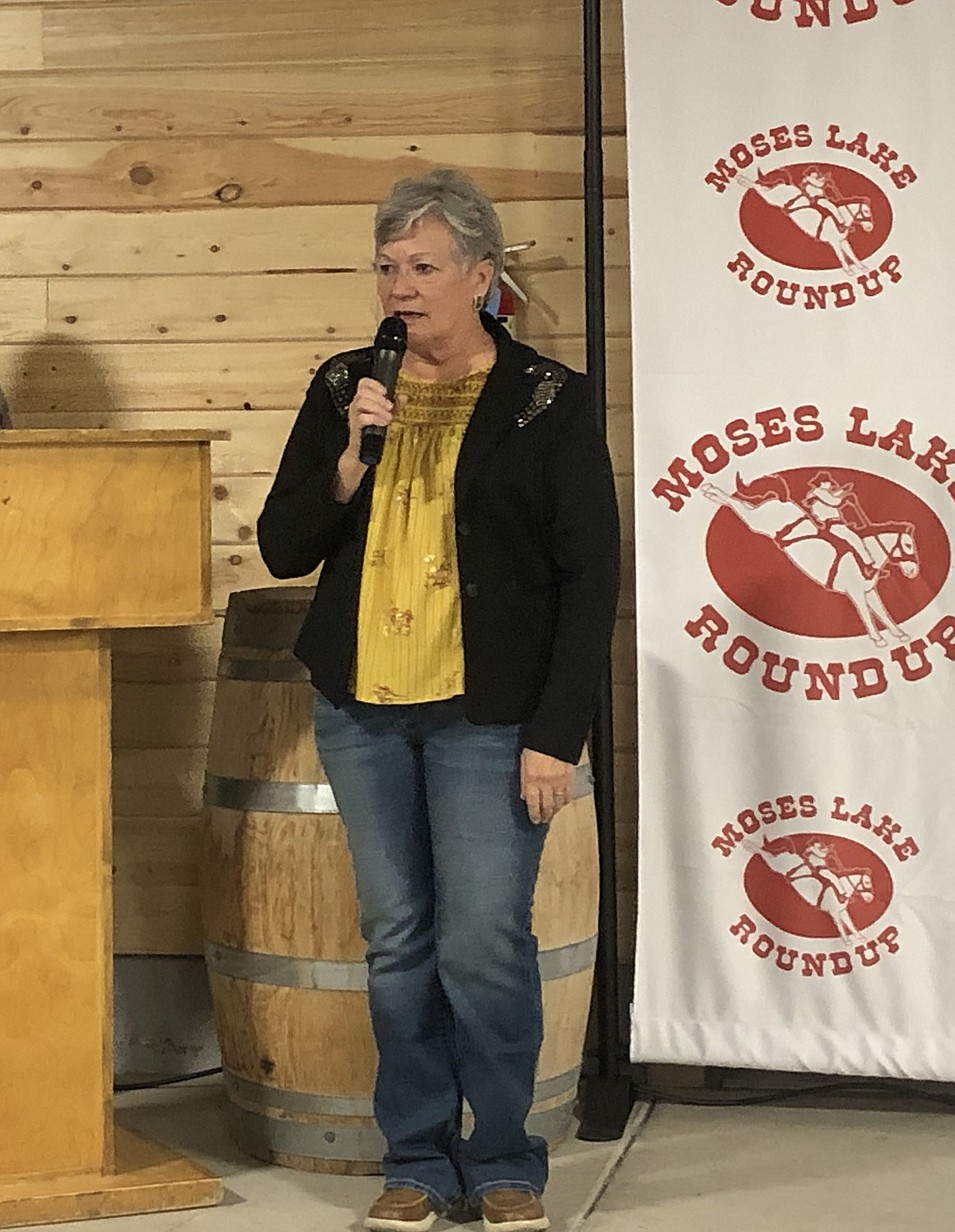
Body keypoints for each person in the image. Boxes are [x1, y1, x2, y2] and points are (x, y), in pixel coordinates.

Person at [257, 169, 621, 1232]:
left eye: (422, 267)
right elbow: (286, 544)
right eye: (386, 266)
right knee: (401, 934)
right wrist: (347, 459)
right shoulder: (344, 386)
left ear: (480, 274)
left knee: (485, 939)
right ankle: (416, 1158)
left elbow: (587, 574)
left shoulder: (550, 397)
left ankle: (503, 1155)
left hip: (487, 712)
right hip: (363, 708)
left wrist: (558, 733)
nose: (400, 286)